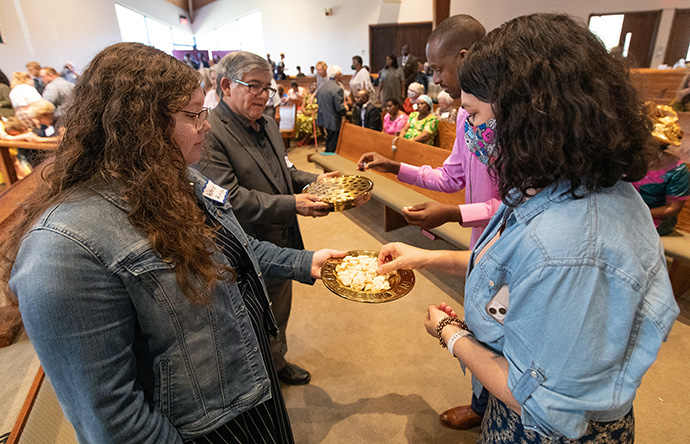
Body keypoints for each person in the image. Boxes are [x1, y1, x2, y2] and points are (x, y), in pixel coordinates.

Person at [2, 41, 345, 444]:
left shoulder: (177, 177)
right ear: (138, 123)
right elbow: (113, 420)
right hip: (200, 427)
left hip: (245, 391)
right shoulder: (62, 250)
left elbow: (229, 249)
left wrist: (307, 262)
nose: (207, 125)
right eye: (192, 115)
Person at [413, 13, 678, 442]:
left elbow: (537, 402)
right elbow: (516, 272)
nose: (474, 133)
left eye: (476, 116)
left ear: (524, 118)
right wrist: (427, 258)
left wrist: (451, 334)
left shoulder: (571, 242)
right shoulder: (564, 184)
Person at [359, 16, 498, 430]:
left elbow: (516, 206)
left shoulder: (509, 123)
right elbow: (452, 177)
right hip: (478, 240)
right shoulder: (465, 117)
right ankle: (480, 401)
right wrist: (396, 167)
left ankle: (496, 405)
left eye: (437, 69)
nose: (434, 78)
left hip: (512, 241)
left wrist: (453, 213)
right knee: (479, 319)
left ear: (465, 57)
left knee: (502, 325)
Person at [194, 51, 339, 386]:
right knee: (248, 317)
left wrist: (315, 182)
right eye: (254, 86)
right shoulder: (211, 132)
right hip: (245, 246)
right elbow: (229, 197)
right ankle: (257, 378)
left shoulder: (269, 123)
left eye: (268, 88)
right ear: (227, 86)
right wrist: (294, 205)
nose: (263, 95)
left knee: (278, 308)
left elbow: (284, 170)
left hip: (281, 237)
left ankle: (276, 361)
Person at [633, 104, 689, 235]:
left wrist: (638, 214)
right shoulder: (634, 159)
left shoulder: (677, 170)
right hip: (631, 213)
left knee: (628, 235)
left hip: (657, 219)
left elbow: (672, 208)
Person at [316, 65, 347, 153]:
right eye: (340, 74)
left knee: (329, 140)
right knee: (333, 143)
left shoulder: (322, 87)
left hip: (324, 119)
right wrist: (345, 111)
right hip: (334, 120)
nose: (341, 75)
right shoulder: (337, 88)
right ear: (337, 74)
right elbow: (339, 107)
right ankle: (331, 161)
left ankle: (327, 158)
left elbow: (318, 102)